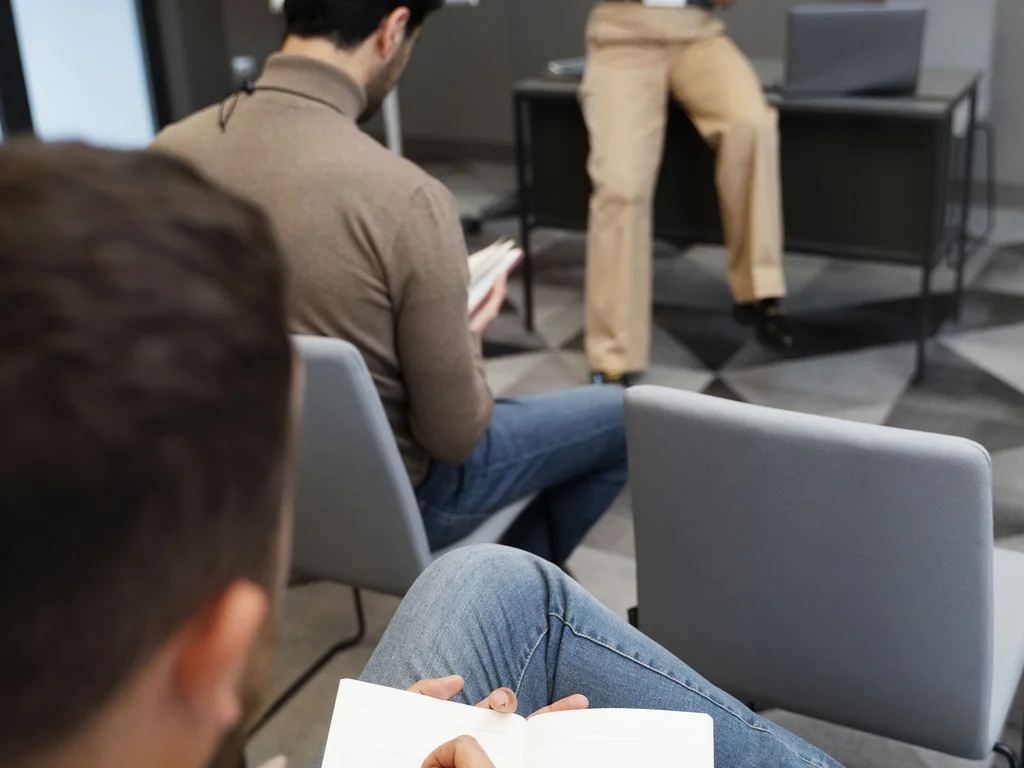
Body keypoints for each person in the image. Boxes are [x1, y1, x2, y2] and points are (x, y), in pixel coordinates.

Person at [0, 139, 843, 768]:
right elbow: (456, 435)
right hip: (435, 485)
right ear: (210, 656)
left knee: (485, 576)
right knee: (573, 478)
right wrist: (453, 347)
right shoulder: (401, 195)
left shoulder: (178, 141)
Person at [151, 0, 625, 566]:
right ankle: (499, 604)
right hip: (400, 504)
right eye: (413, 42)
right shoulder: (406, 198)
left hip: (230, 494)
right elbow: (455, 437)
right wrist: (469, 334)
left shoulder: (167, 153)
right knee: (624, 417)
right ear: (393, 29)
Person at [581, 0, 795, 386]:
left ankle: (758, 289)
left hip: (698, 32)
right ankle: (614, 350)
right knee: (620, 185)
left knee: (752, 125)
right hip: (623, 36)